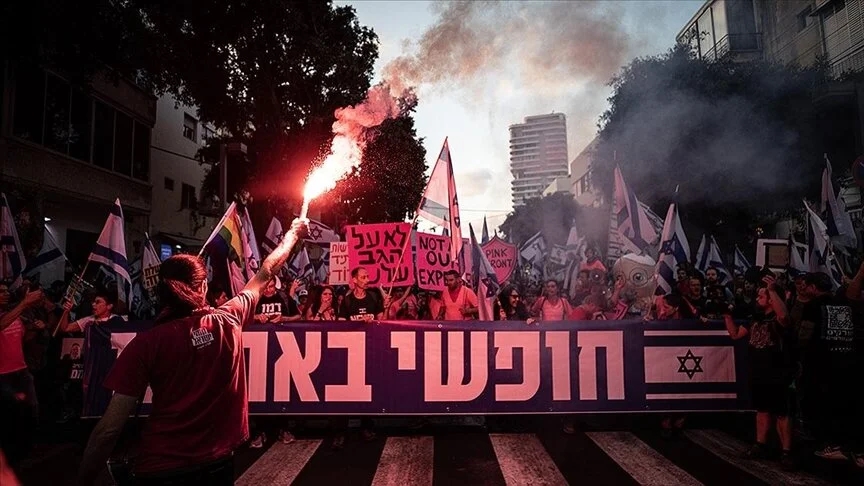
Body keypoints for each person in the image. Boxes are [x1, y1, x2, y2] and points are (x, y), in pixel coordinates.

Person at [76, 219, 307, 485]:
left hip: (160, 469)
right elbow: (266, 271)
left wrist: (84, 480)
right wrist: (292, 235)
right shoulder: (229, 320)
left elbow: (108, 430)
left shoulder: (146, 344)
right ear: (203, 287)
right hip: (218, 462)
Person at [723, 274, 795, 469]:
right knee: (762, 410)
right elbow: (735, 335)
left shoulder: (779, 320)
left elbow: (784, 317)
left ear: (772, 300)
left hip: (778, 373)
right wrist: (727, 316)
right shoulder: (755, 318)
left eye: (761, 296)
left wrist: (772, 290)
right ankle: (760, 444)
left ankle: (786, 451)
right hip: (758, 372)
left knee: (782, 413)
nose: (757, 298)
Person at [0, 281, 45, 468]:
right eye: (1, 291)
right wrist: (24, 304)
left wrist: (36, 329)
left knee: (30, 410)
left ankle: (26, 450)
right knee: (8, 414)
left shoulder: (16, 314)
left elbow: (23, 338)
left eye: (6, 291)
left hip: (21, 370)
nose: (5, 294)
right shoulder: (12, 313)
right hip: (2, 375)